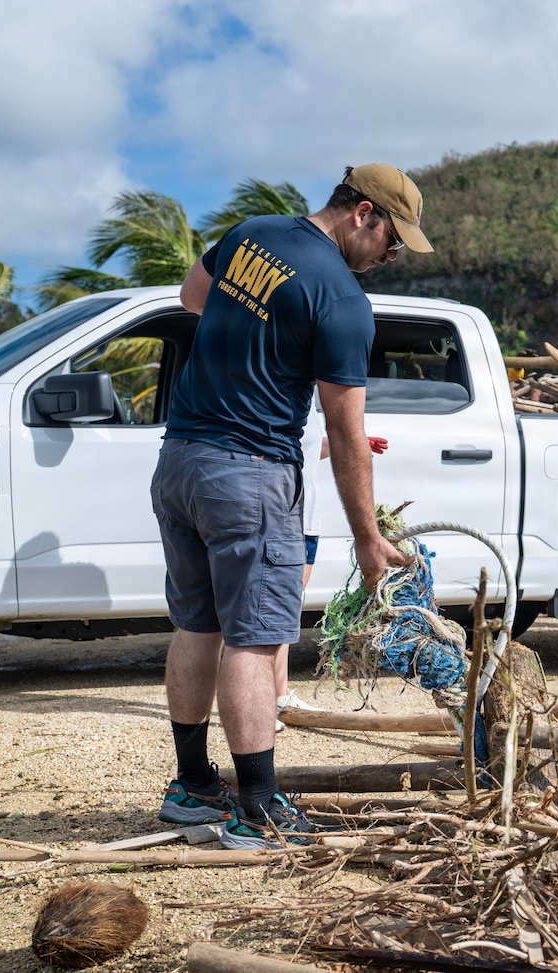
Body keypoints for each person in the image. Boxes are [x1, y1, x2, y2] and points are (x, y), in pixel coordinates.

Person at [153, 163, 430, 850]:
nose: (392, 256)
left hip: (180, 457)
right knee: (252, 637)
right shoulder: (340, 298)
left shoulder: (253, 232)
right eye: (393, 239)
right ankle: (256, 811)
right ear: (364, 213)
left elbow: (194, 295)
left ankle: (191, 786)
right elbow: (346, 432)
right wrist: (367, 537)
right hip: (248, 473)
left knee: (198, 624)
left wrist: (254, 335)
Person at [272, 411, 388, 732]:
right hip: (284, 514)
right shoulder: (283, 392)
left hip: (307, 517)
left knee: (286, 608)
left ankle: (278, 696)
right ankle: (264, 700)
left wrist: (348, 445)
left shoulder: (310, 399)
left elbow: (309, 450)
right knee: (275, 609)